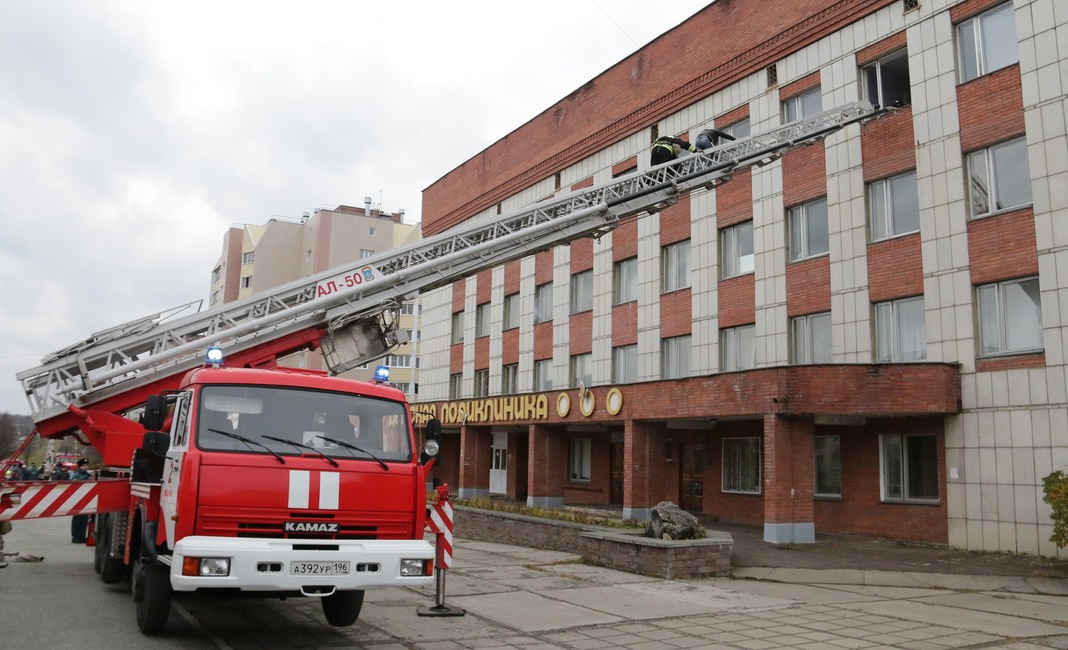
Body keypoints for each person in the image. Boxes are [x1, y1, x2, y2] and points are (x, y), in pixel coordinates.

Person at [69, 458, 92, 544]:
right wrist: (86, 477)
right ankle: (75, 537)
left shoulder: (89, 475)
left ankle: (82, 536)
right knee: (77, 519)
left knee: (84, 519)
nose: (86, 467)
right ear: (80, 467)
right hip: (77, 499)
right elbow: (77, 482)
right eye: (84, 465)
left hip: (86, 499)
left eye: (86, 465)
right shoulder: (76, 475)